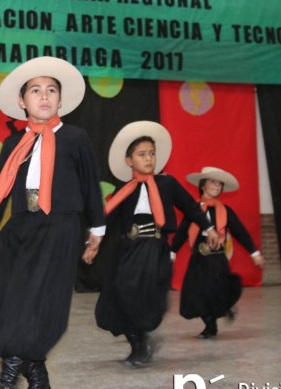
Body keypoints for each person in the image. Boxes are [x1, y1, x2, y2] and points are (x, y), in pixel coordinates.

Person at [0, 56, 105, 389]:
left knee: (30, 307)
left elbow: (91, 186)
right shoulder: (14, 143)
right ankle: (39, 384)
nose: (44, 96)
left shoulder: (75, 138)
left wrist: (97, 230)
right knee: (1, 302)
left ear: (60, 99)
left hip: (59, 228)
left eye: (51, 90)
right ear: (21, 101)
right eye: (35, 90)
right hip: (20, 227)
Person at [95, 121, 221, 365]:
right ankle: (138, 345)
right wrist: (93, 241)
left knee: (140, 294)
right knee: (116, 296)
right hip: (128, 249)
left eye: (152, 153)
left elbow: (191, 208)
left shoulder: (167, 184)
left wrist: (209, 228)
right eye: (142, 154)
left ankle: (142, 345)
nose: (148, 158)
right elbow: (107, 219)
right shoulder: (125, 190)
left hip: (154, 248)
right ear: (129, 161)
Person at [170, 167, 263, 338]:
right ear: (202, 185)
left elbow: (240, 232)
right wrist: (172, 251)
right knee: (196, 294)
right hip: (198, 259)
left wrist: (254, 252)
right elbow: (183, 232)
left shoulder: (225, 211)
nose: (216, 186)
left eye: (219, 184)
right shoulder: (194, 210)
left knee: (215, 291)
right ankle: (210, 325)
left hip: (217, 259)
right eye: (212, 182)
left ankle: (223, 311)